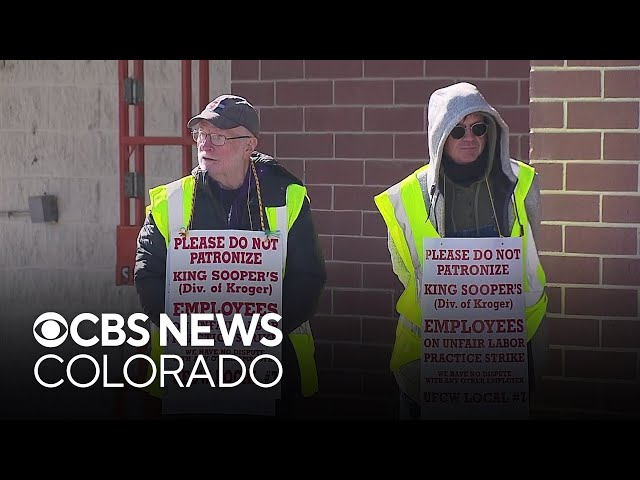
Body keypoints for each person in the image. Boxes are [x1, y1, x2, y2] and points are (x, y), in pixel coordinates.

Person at [134, 94, 326, 418]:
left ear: (249, 145)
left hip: (274, 368)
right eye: (201, 135)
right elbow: (148, 275)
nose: (206, 145)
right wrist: (191, 332)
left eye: (218, 136)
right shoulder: (171, 201)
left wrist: (257, 334)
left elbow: (308, 279)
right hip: (187, 370)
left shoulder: (288, 197)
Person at [374, 82, 548, 419]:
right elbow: (405, 269)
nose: (470, 137)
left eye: (478, 127)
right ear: (440, 136)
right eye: (457, 130)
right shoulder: (407, 195)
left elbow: (533, 253)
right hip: (430, 361)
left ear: (491, 130)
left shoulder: (522, 183)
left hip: (509, 352)